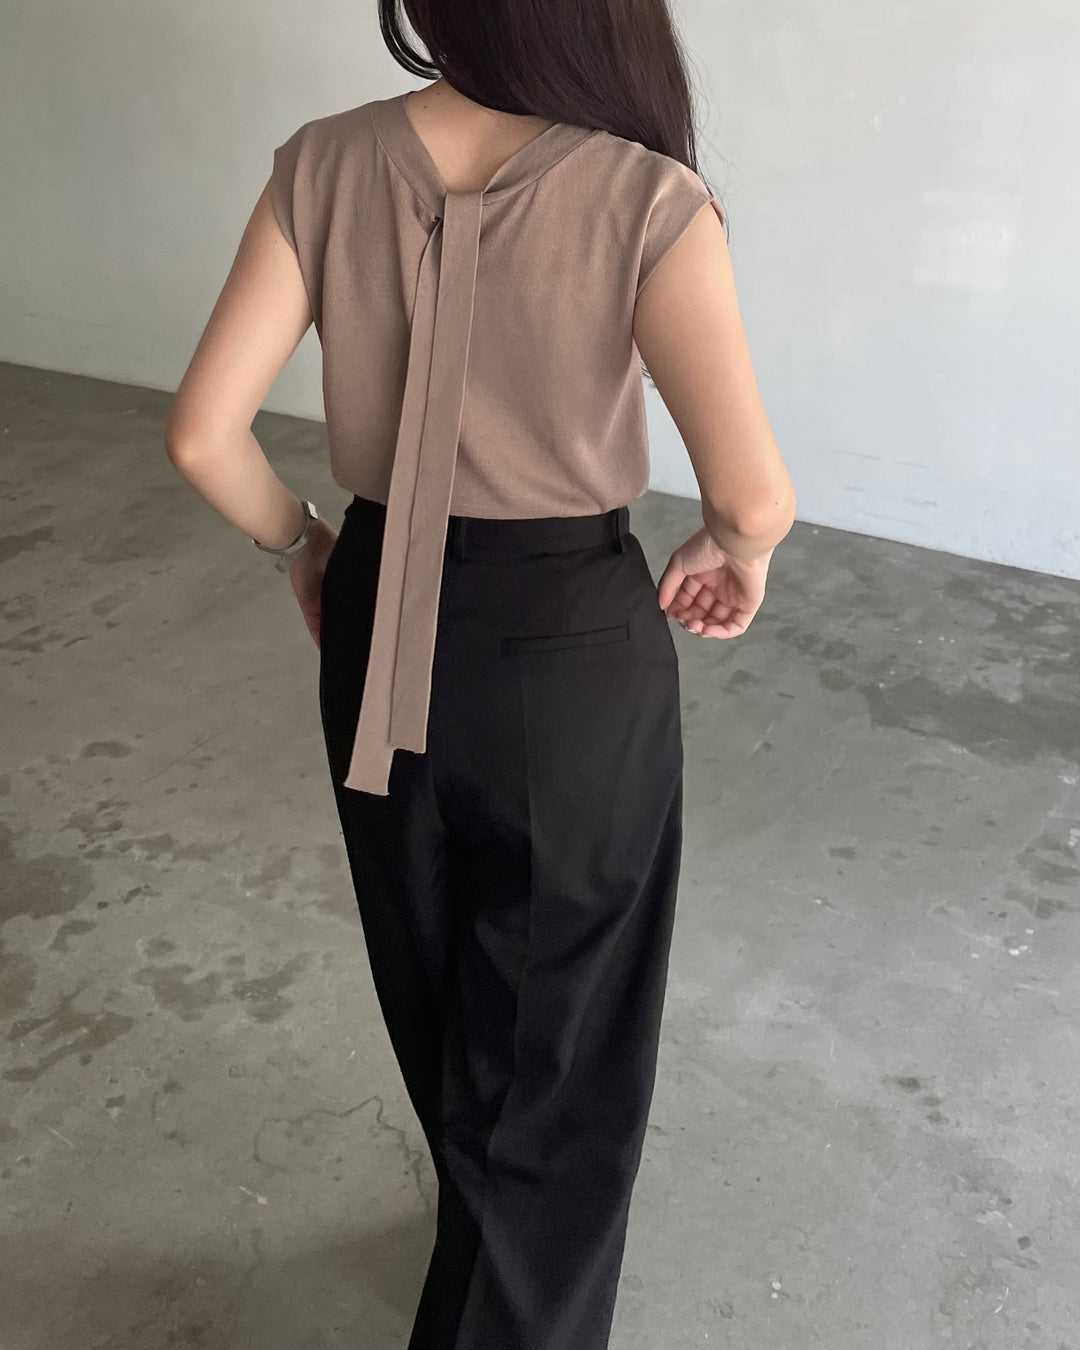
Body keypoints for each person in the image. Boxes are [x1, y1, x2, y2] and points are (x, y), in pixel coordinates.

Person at [164, 0, 796, 1344]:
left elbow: (204, 435)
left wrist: (304, 550)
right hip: (569, 650)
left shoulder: (322, 161)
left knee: (435, 974)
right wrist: (735, 551)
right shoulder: (650, 199)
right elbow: (753, 495)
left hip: (379, 624)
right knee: (563, 1040)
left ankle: (480, 1227)